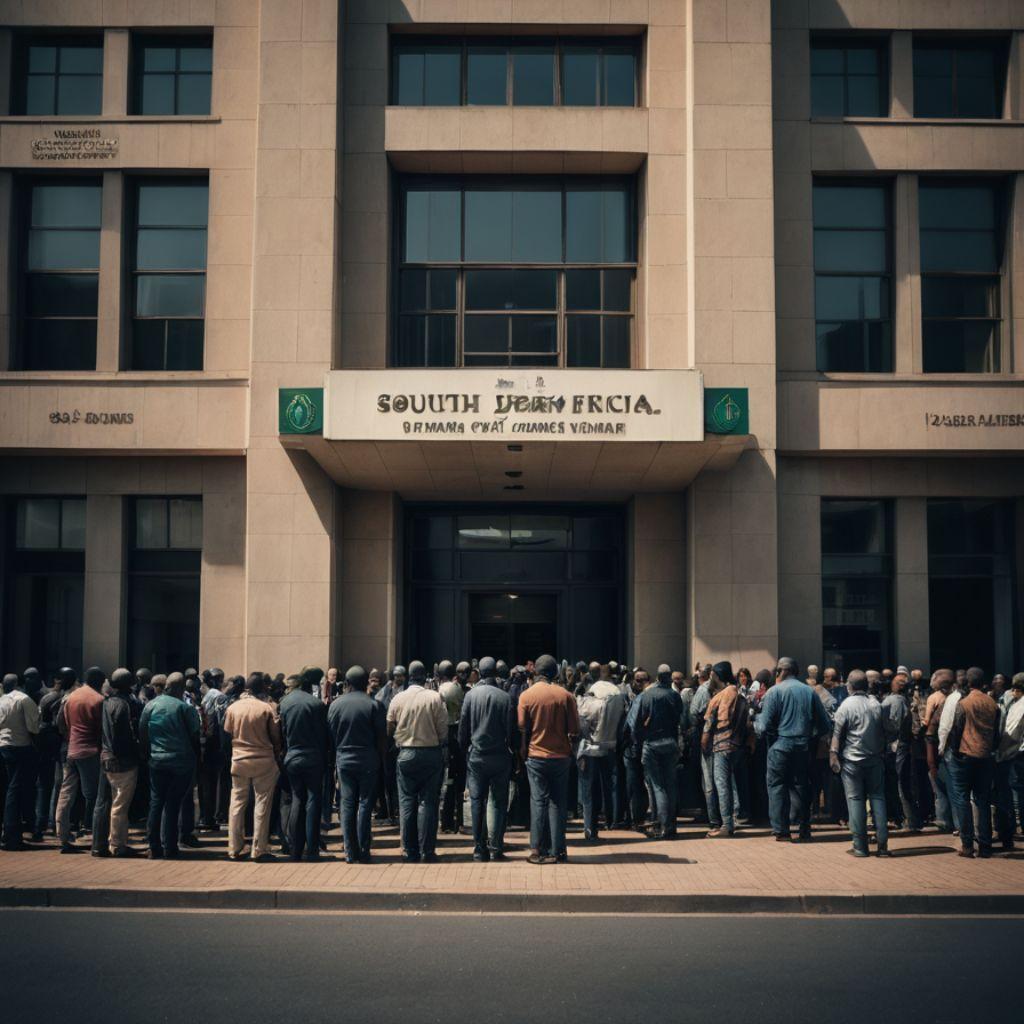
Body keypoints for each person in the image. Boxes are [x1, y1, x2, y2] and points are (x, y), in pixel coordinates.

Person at [754, 657, 831, 842]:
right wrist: (810, 736)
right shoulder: (809, 692)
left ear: (781, 671)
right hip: (802, 746)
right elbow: (826, 725)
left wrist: (754, 721)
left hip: (780, 745)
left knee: (777, 786)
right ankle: (803, 827)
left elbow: (763, 727)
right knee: (801, 786)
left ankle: (781, 830)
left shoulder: (774, 692)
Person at [518, 653, 580, 864]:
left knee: (538, 802)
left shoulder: (527, 695)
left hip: (536, 756)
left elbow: (521, 728)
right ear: (555, 673)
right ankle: (558, 849)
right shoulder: (566, 696)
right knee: (558, 803)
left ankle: (536, 849)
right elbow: (574, 729)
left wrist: (522, 752)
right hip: (561, 756)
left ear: (536, 671)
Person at [387, 660, 448, 863]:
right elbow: (443, 730)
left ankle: (409, 850)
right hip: (430, 752)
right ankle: (427, 850)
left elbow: (389, 727)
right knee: (429, 802)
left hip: (405, 753)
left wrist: (399, 737)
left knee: (406, 802)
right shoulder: (434, 697)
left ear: (408, 676)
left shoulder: (398, 698)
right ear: (425, 677)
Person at [458, 656, 515, 861]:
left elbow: (463, 728)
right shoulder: (505, 697)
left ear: (480, 672)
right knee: (499, 802)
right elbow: (511, 731)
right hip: (500, 755)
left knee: (477, 802)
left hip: (477, 756)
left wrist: (464, 749)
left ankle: (479, 848)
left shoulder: (471, 696)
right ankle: (496, 847)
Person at [328, 665, 386, 864]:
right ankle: (363, 848)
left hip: (344, 758)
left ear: (347, 684)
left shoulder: (336, 705)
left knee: (347, 804)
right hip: (368, 758)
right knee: (365, 805)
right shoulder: (374, 705)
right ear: (365, 682)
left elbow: (331, 736)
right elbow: (381, 738)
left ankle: (350, 851)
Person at [139, 672, 200, 859]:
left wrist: (148, 755)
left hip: (157, 760)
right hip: (181, 762)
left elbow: (142, 733)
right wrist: (196, 761)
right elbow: (195, 736)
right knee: (173, 804)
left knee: (156, 803)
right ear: (181, 689)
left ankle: (154, 846)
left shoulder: (151, 705)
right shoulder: (185, 708)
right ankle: (170, 847)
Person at [829, 670, 889, 858]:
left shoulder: (845, 705)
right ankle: (882, 846)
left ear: (850, 686)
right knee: (878, 798)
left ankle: (860, 846)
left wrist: (833, 756)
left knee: (855, 800)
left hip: (852, 761)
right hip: (875, 759)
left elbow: (837, 734)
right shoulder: (876, 704)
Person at [223, 672, 282, 862]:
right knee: (262, 804)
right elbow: (275, 738)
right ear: (263, 689)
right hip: (263, 759)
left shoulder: (233, 708)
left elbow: (227, 733)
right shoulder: (266, 708)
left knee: (237, 803)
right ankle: (259, 848)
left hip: (239, 760)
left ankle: (234, 847)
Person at [946, 667, 999, 858]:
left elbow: (956, 729)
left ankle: (967, 845)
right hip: (985, 756)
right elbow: (997, 733)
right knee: (982, 800)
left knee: (962, 799)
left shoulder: (964, 703)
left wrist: (953, 750)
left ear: (967, 683)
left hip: (965, 755)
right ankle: (985, 845)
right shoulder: (992, 703)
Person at [279, 668, 329, 862]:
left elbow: (281, 733)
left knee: (297, 799)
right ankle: (312, 848)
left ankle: (295, 849)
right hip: (313, 757)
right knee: (313, 799)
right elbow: (322, 734)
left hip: (292, 757)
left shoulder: (284, 703)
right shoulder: (315, 704)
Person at [55, 666, 105, 854]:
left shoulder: (70, 698)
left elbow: (63, 724)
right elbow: (102, 730)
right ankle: (93, 833)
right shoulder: (98, 699)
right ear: (99, 681)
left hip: (71, 750)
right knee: (92, 795)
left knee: (65, 794)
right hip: (90, 751)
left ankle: (62, 835)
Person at [94, 668, 142, 858]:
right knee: (120, 805)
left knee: (112, 802)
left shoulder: (106, 702)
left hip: (106, 757)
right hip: (122, 761)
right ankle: (118, 844)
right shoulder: (124, 705)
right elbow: (124, 737)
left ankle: (111, 842)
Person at [576, 663, 625, 842]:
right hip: (609, 746)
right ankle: (611, 820)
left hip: (590, 749)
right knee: (608, 786)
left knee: (588, 791)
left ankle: (590, 828)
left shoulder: (593, 700)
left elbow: (581, 725)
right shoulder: (618, 697)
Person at [634, 664, 684, 840]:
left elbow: (640, 721)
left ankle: (662, 826)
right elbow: (681, 718)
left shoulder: (648, 695)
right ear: (669, 677)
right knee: (670, 783)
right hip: (670, 742)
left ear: (657, 677)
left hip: (652, 743)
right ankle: (671, 826)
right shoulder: (675, 696)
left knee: (657, 786)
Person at [702, 662, 749, 837]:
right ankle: (731, 820)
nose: (710, 678)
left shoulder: (719, 697)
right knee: (730, 784)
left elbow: (708, 726)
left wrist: (704, 745)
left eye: (712, 675)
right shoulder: (738, 694)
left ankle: (726, 826)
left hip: (721, 745)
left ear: (717, 676)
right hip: (736, 746)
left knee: (721, 785)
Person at [0, 671, 41, 851]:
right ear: (19, 683)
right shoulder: (23, 699)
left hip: (3, 746)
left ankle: (9, 832)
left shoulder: (1, 700)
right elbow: (34, 726)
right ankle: (12, 835)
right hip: (20, 746)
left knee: (9, 788)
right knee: (15, 790)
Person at [881, 670, 922, 832]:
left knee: (899, 783)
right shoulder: (904, 700)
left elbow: (894, 725)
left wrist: (881, 726)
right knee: (902, 782)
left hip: (895, 746)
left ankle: (909, 820)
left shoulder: (894, 701)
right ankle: (909, 819)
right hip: (902, 745)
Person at [34, 667, 69, 840]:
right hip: (55, 744)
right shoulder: (61, 698)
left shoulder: (45, 697)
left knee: (43, 784)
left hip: (43, 742)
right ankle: (52, 822)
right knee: (57, 784)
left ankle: (40, 823)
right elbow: (59, 724)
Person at [994, 673, 1024, 851]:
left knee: (1015, 791)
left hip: (1017, 754)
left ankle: (1017, 826)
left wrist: (1001, 754)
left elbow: (1010, 733)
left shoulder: (1019, 707)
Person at [438, 660, 468, 835]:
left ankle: (446, 820)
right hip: (456, 735)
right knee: (457, 781)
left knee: (446, 781)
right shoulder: (457, 689)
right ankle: (458, 821)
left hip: (443, 737)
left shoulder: (440, 689)